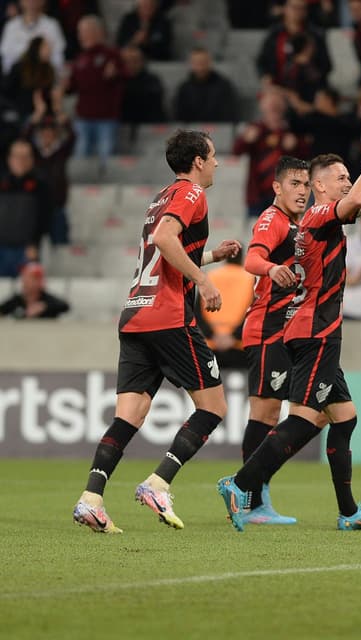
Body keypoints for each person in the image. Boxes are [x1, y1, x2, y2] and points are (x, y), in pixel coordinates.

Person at [217, 134, 361, 532]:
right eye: (341, 177)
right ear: (320, 186)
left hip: (315, 327)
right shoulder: (319, 216)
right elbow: (356, 201)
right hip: (314, 330)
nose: (349, 182)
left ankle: (349, 513)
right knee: (302, 418)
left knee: (344, 418)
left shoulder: (322, 217)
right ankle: (241, 484)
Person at [72, 129, 242, 534]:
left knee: (129, 415)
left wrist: (213, 255)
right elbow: (167, 239)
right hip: (167, 317)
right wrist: (204, 279)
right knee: (214, 407)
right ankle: (157, 483)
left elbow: (162, 248)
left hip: (135, 314)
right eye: (214, 156)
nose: (217, 163)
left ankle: (91, 498)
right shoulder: (191, 193)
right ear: (198, 161)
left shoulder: (160, 197)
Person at [239, 155, 313, 525]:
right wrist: (272, 268)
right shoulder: (272, 219)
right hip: (267, 329)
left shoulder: (297, 223)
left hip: (286, 332)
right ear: (277, 187)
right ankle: (249, 500)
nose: (302, 192)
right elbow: (251, 259)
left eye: (306, 184)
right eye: (295, 185)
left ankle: (254, 494)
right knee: (265, 415)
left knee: (280, 415)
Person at [232, 88, 308, 218]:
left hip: (285, 195)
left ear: (283, 108)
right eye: (270, 106)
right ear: (262, 108)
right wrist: (246, 140)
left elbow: (305, 155)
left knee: (285, 232)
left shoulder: (291, 130)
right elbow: (236, 151)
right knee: (256, 231)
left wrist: (296, 145)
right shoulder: (255, 129)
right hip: (257, 194)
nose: (273, 110)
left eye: (276, 106)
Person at [66, 15, 126, 168]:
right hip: (83, 117)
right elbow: (72, 87)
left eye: (83, 32)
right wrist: (64, 85)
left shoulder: (112, 55)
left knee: (106, 159)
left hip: (106, 117)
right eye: (80, 32)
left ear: (97, 32)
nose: (80, 36)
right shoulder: (80, 58)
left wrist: (115, 75)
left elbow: (125, 77)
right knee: (81, 156)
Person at [24, 89, 75, 245]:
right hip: (36, 206)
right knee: (33, 246)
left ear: (55, 134)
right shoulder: (35, 154)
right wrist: (37, 115)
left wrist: (59, 111)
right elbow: (24, 138)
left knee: (60, 244)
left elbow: (73, 136)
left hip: (57, 206)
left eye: (50, 132)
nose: (47, 135)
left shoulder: (60, 153)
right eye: (44, 132)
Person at [197, 249, 255, 370]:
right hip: (239, 346)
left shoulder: (211, 276)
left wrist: (212, 335)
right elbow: (253, 311)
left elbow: (198, 311)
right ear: (243, 257)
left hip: (211, 344)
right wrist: (233, 336)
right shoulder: (250, 278)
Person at [0, 138, 51, 276]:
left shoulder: (40, 186)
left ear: (31, 160)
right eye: (16, 156)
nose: (20, 160)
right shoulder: (2, 183)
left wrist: (34, 243)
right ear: (9, 159)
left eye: (25, 156)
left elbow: (44, 218)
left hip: (26, 250)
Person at [256, 0, 331, 91]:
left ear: (306, 12)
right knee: (271, 102)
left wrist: (308, 64)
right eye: (294, 7)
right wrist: (265, 76)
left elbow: (326, 66)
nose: (297, 12)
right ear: (285, 9)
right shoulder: (275, 34)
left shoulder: (315, 36)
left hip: (310, 89)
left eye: (301, 8)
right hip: (280, 87)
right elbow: (261, 61)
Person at [0, 0, 66, 74]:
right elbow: (7, 60)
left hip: (44, 78)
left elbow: (58, 59)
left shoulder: (52, 25)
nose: (31, 1)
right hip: (17, 79)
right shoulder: (11, 26)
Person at [174, 47, 238, 123]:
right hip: (191, 131)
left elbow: (229, 114)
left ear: (209, 62)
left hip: (218, 130)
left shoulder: (224, 86)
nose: (200, 66)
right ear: (191, 64)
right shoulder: (184, 88)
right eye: (196, 62)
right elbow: (180, 116)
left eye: (203, 62)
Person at [2, 35, 56, 122]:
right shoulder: (19, 67)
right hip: (20, 114)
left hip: (42, 116)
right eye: (46, 47)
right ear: (36, 49)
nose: (49, 50)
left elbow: (48, 96)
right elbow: (6, 91)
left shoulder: (49, 70)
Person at [0, 261, 69, 318]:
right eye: (24, 277)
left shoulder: (47, 299)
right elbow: (2, 309)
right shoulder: (16, 300)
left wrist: (44, 306)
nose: (25, 281)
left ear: (40, 281)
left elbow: (65, 306)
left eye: (31, 278)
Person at [120, 45, 166, 127]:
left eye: (135, 61)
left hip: (147, 126)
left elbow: (155, 109)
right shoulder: (115, 81)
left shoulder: (153, 81)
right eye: (126, 61)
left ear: (142, 61)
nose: (131, 64)